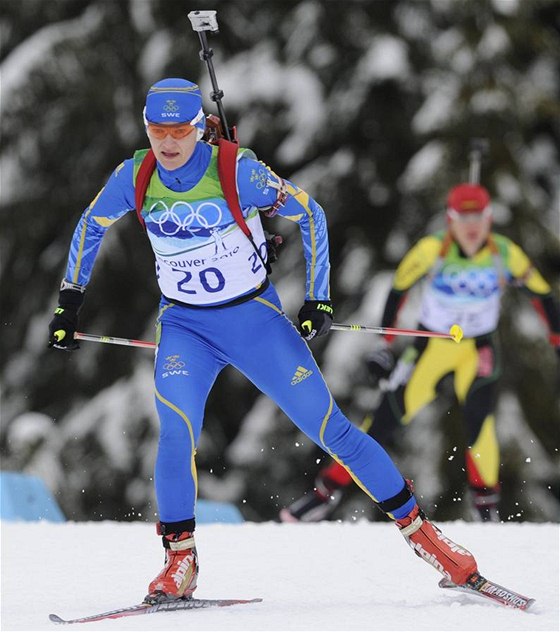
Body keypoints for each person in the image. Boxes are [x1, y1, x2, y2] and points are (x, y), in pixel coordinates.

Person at [48, 78, 481, 604]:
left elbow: (311, 214)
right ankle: (179, 564)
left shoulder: (236, 169)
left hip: (255, 322)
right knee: (176, 431)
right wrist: (70, 300)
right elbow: (89, 224)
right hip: (186, 328)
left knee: (333, 431)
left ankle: (430, 542)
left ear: (196, 129)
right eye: (157, 131)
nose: (167, 143)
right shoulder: (134, 175)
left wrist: (318, 298)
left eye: (179, 131)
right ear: (146, 128)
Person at [280, 183, 560, 524]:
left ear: (489, 219)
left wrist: (557, 339)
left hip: (478, 350)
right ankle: (324, 494)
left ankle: (487, 510)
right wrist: (384, 348)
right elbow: (398, 291)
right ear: (450, 220)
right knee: (383, 420)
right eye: (463, 218)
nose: (472, 228)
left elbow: (542, 295)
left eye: (479, 218)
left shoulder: (504, 253)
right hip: (430, 348)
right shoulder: (432, 250)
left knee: (480, 423)